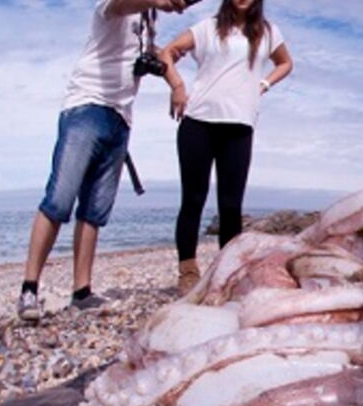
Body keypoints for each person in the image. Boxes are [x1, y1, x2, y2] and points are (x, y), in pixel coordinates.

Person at [17, 0, 191, 323]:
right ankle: (29, 288)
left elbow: (150, 54)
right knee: (59, 199)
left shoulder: (147, 19)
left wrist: (177, 83)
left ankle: (81, 292)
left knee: (95, 211)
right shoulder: (115, 4)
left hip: (120, 118)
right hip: (87, 108)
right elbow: (119, 6)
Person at [160, 0, 293, 294]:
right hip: (198, 122)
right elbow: (166, 52)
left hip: (239, 125)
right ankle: (188, 271)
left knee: (231, 206)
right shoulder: (207, 28)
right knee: (193, 200)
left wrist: (264, 84)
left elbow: (286, 63)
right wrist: (177, 87)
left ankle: (227, 272)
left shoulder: (268, 32)